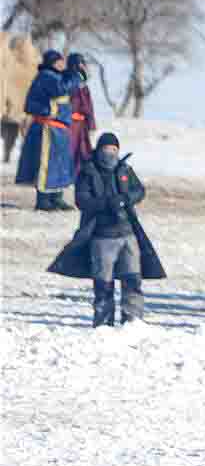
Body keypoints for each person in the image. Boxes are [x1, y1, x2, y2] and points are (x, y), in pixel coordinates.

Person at [47, 132, 166, 325]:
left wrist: (126, 199)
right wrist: (107, 204)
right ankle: (103, 322)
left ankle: (133, 321)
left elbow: (140, 190)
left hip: (128, 234)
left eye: (113, 150)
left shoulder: (125, 169)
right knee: (103, 283)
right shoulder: (88, 172)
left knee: (132, 280)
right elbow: (82, 200)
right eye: (106, 149)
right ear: (98, 150)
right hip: (101, 237)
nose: (109, 153)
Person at [16, 49, 81, 211]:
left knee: (60, 165)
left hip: (60, 128)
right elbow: (61, 89)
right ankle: (43, 199)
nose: (61, 65)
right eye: (58, 62)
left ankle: (56, 197)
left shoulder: (57, 76)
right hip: (48, 128)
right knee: (47, 165)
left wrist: (76, 71)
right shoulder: (46, 76)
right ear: (51, 63)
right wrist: (73, 72)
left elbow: (75, 85)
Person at [66, 53, 96, 165]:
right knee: (71, 151)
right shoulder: (68, 81)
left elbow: (88, 107)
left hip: (81, 126)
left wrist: (91, 124)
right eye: (82, 64)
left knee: (82, 152)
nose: (84, 67)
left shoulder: (83, 85)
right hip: (70, 125)